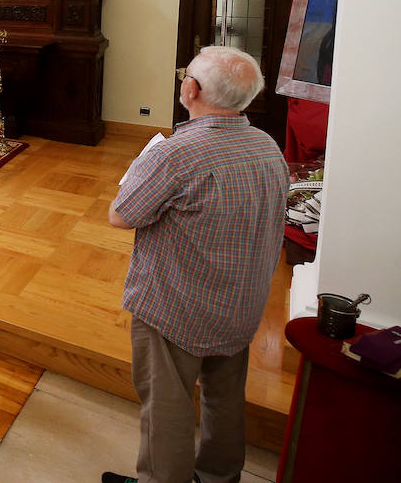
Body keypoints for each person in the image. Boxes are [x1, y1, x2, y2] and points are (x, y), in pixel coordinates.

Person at [102, 46, 287, 483]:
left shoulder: (176, 154)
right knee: (225, 398)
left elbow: (120, 215)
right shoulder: (267, 145)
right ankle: (220, 477)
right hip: (240, 304)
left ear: (191, 89)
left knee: (167, 404)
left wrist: (141, 167)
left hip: (177, 307)